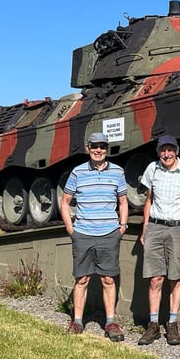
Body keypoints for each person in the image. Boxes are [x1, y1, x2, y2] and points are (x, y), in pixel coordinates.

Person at [60, 132, 128, 341]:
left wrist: (122, 226)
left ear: (107, 149)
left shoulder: (117, 172)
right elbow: (65, 201)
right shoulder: (77, 172)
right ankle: (78, 321)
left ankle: (110, 322)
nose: (99, 150)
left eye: (103, 146)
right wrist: (71, 230)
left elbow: (123, 201)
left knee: (108, 279)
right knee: (82, 279)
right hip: (83, 234)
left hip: (109, 233)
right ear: (88, 148)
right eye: (95, 146)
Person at [137, 135, 180, 346]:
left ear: (177, 151)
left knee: (175, 277)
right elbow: (149, 199)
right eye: (162, 150)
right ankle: (154, 324)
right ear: (158, 152)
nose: (166, 154)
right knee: (155, 278)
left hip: (179, 229)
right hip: (156, 227)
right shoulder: (152, 169)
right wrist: (145, 226)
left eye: (170, 150)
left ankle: (172, 324)